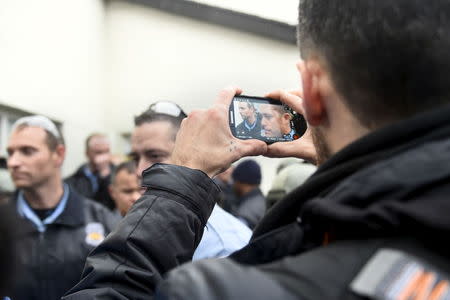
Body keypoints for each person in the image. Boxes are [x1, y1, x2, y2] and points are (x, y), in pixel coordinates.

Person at [64, 0, 450, 299]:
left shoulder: (226, 289)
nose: (140, 169)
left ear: (311, 90)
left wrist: (180, 181)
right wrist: (337, 159)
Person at [6, 116, 120, 300]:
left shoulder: (102, 221)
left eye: (27, 151)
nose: (13, 162)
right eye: (10, 153)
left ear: (58, 154)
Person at [129, 101, 251, 260]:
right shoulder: (144, 222)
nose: (139, 171)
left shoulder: (225, 248)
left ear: (190, 154)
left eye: (154, 156)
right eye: (135, 158)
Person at [66, 133, 115, 210]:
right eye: (99, 152)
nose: (104, 157)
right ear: (87, 153)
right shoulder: (73, 182)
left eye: (107, 152)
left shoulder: (118, 175)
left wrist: (106, 177)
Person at [230, 159, 266, 229]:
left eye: (234, 180)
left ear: (240, 182)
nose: (233, 185)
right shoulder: (259, 200)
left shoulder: (247, 212)